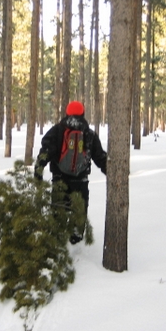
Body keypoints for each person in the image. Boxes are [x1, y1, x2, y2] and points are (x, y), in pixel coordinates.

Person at [34, 101, 107, 244]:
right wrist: (111, 172)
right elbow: (99, 157)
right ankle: (76, 238)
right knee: (79, 211)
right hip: (81, 181)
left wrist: (38, 172)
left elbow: (45, 153)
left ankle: (56, 238)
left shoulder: (56, 131)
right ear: (83, 113)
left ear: (67, 113)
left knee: (58, 209)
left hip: (59, 179)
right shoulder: (89, 133)